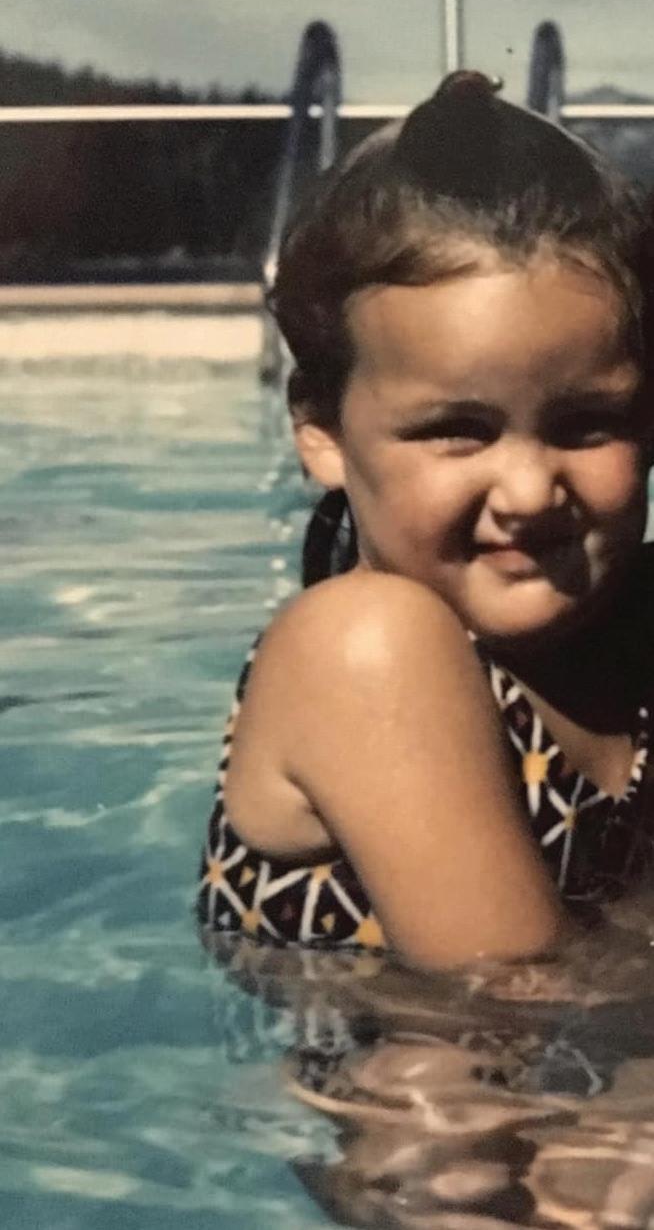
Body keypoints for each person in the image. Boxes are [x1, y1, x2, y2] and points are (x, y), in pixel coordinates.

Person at [197, 69, 654, 972]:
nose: (529, 490)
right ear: (322, 431)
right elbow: (513, 999)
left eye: (586, 423)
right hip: (429, 1059)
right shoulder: (365, 646)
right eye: (457, 429)